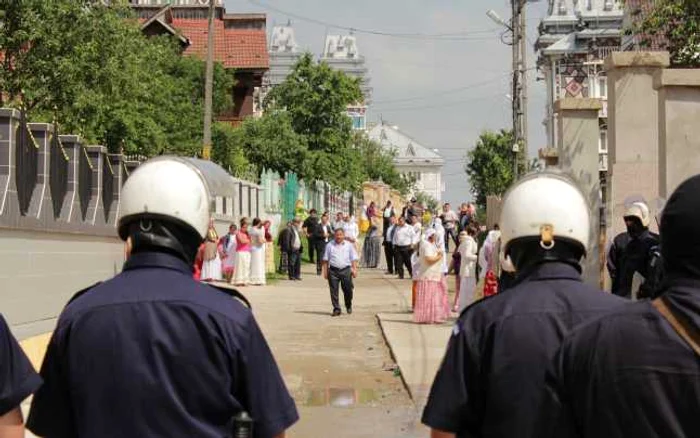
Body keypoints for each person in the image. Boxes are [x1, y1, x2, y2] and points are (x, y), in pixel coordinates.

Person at [27, 156, 298, 438]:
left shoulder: (78, 315)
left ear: (128, 239)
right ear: (196, 238)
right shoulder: (230, 318)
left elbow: (50, 427)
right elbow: (271, 428)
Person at [422, 171, 626, 438]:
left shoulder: (481, 322)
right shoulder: (624, 318)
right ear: (580, 241)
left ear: (510, 244)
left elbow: (444, 431)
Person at [536, 173, 700, 438]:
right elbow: (613, 265)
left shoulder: (590, 342)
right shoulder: (623, 244)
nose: (629, 224)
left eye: (633, 220)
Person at [607, 200, 660, 298]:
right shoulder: (620, 241)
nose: (629, 223)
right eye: (627, 220)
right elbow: (613, 271)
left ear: (643, 220)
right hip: (623, 299)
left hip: (644, 300)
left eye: (633, 220)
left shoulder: (655, 244)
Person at [414, 229, 450, 324]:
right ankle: (428, 317)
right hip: (429, 274)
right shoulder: (426, 245)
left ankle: (433, 316)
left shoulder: (430, 245)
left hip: (434, 274)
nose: (436, 237)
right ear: (431, 236)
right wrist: (440, 256)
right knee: (429, 296)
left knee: (434, 296)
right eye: (434, 235)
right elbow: (429, 259)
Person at [322, 228, 359, 317]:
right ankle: (336, 308)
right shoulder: (329, 245)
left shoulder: (349, 245)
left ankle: (348, 304)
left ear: (343, 235)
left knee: (348, 290)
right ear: (334, 235)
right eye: (337, 235)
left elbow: (353, 258)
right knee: (333, 291)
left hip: (346, 270)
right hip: (333, 271)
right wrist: (325, 272)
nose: (338, 236)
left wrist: (354, 270)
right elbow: (325, 260)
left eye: (340, 235)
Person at [457, 227, 478, 313]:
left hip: (468, 268)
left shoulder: (466, 241)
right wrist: (477, 257)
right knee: (467, 291)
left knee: (466, 291)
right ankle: (466, 310)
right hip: (468, 269)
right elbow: (466, 255)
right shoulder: (469, 242)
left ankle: (465, 309)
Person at [232, 219, 251, 287]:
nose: (245, 229)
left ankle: (245, 281)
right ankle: (238, 281)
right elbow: (242, 241)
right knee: (240, 267)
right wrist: (248, 240)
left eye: (246, 227)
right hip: (240, 252)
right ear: (241, 227)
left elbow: (250, 241)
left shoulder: (247, 233)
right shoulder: (238, 233)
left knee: (246, 267)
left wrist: (247, 240)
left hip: (247, 251)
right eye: (244, 227)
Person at [248, 218, 266, 286]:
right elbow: (260, 241)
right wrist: (264, 240)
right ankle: (258, 279)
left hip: (252, 248)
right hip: (258, 248)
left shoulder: (251, 229)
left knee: (253, 264)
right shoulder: (258, 230)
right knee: (259, 264)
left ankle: (252, 278)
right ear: (258, 223)